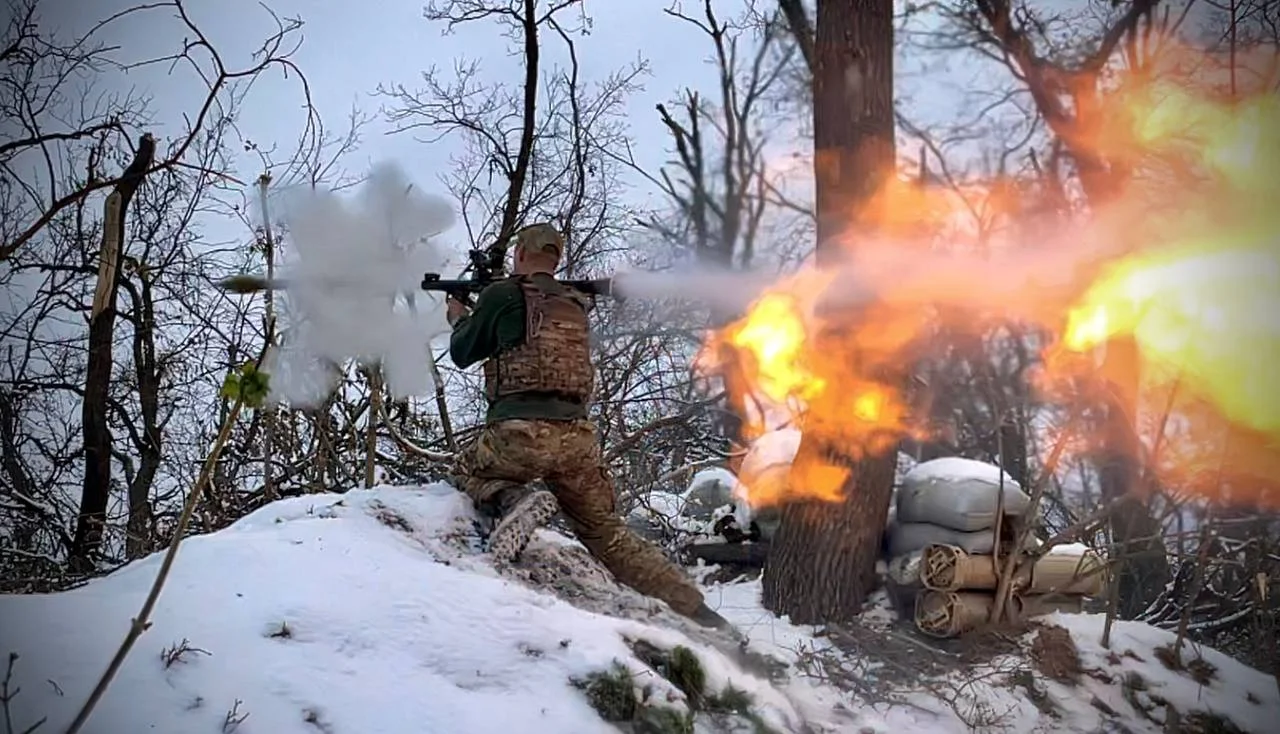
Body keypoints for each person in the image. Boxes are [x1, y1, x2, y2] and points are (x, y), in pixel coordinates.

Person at [445, 222, 733, 632]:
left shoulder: (502, 295)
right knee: (608, 534)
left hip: (519, 434)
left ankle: (513, 500)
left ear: (521, 255)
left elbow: (461, 352)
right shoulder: (575, 302)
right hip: (576, 439)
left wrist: (459, 315)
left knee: (465, 471)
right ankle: (700, 613)